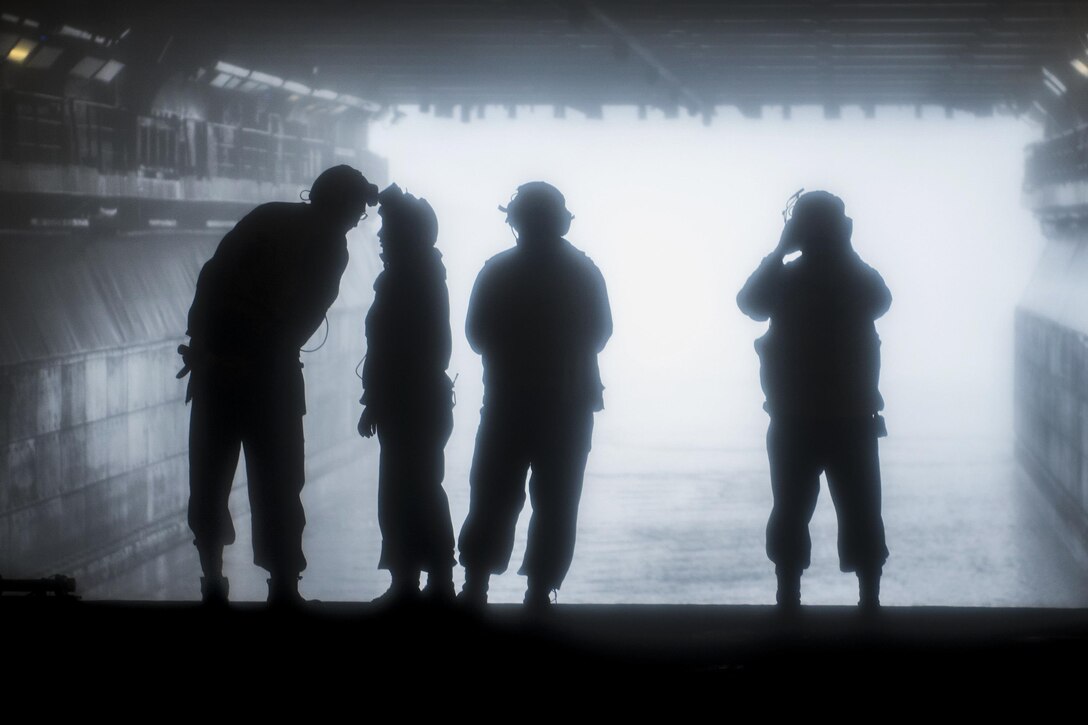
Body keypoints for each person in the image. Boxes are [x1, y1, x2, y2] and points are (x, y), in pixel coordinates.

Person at [180, 165, 379, 605]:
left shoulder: (268, 217)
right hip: (272, 382)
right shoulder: (332, 249)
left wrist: (204, 345)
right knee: (280, 486)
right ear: (344, 208)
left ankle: (212, 579)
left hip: (217, 373)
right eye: (355, 213)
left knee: (210, 480)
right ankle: (283, 588)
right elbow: (302, 320)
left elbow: (212, 276)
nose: (354, 221)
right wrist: (262, 353)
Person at [457, 181, 612, 609]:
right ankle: (540, 592)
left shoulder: (496, 270)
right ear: (561, 222)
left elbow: (475, 335)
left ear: (516, 221)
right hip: (569, 406)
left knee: (492, 492)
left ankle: (475, 586)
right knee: (558, 501)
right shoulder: (584, 271)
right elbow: (601, 335)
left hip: (508, 403)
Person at [737, 190, 890, 611]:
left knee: (790, 508)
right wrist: (846, 247)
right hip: (850, 418)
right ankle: (869, 599)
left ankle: (788, 595)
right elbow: (882, 300)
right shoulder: (854, 279)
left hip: (794, 419)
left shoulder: (785, 280)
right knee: (861, 509)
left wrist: (782, 248)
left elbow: (749, 302)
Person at [357, 184, 456, 605]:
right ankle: (430, 582)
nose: (380, 236)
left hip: (407, 405)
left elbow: (392, 350)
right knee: (418, 489)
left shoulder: (404, 281)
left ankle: (414, 584)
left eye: (388, 228)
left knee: (404, 493)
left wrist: (375, 401)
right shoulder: (420, 276)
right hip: (418, 403)